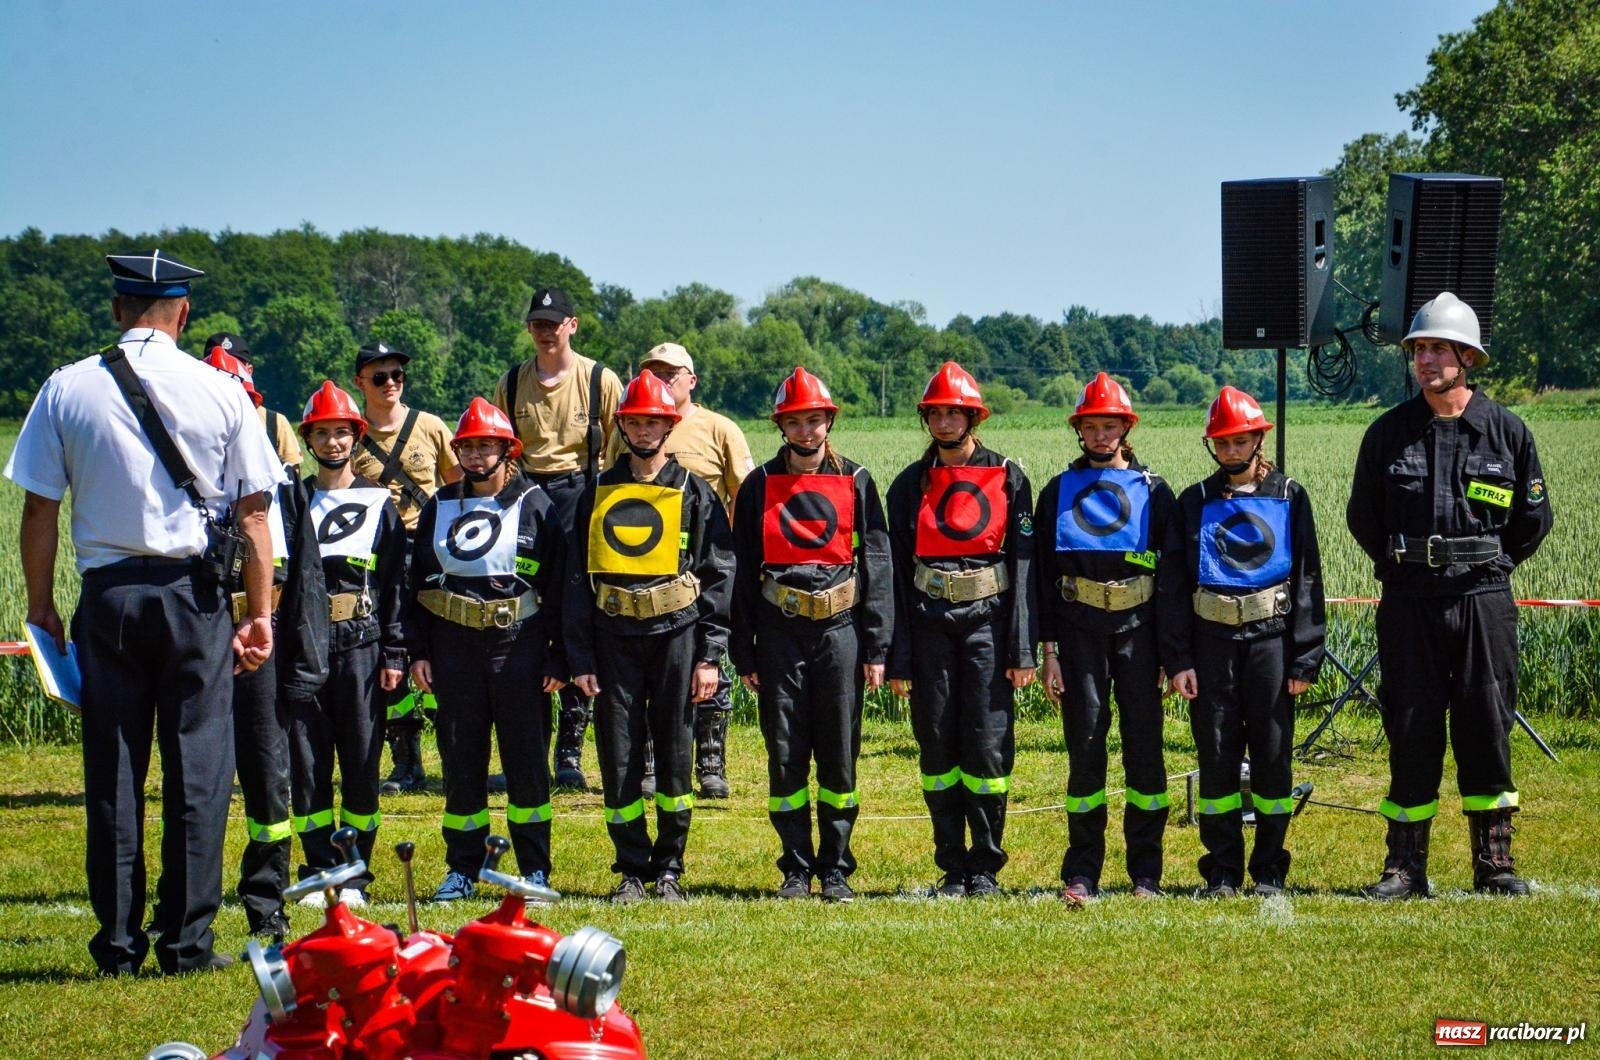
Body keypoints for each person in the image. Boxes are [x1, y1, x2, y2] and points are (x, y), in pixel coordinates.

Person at [5, 250, 283, 975]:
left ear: (115, 308)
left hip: (109, 597)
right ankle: (187, 943)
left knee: (115, 771)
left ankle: (119, 945)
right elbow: (254, 516)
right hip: (193, 598)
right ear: (183, 314)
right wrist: (259, 615)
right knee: (199, 771)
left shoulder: (66, 388)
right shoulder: (220, 391)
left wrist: (42, 607)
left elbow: (38, 509)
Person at [1347, 292, 1553, 899]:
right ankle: (1405, 868)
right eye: (1418, 350)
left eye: (1438, 348)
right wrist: (1405, 565)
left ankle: (1495, 864)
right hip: (1409, 601)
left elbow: (1533, 520)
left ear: (1467, 356)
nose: (1425, 360)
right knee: (1410, 728)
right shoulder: (1388, 434)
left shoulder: (1507, 432)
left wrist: (1491, 563)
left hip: (1483, 599)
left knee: (1485, 725)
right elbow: (1364, 517)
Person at [570, 371, 735, 902]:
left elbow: (718, 574)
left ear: (670, 425)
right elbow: (573, 579)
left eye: (654, 422)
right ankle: (631, 870)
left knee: (674, 752)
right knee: (618, 756)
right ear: (623, 425)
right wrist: (579, 656)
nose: (644, 431)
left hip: (677, 638)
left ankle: (670, 867)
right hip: (612, 638)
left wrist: (710, 656)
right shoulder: (595, 492)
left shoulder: (695, 492)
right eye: (635, 421)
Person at [730, 367, 893, 903]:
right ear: (782, 425)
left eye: (814, 420)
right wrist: (743, 647)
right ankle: (796, 867)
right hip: (779, 631)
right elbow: (743, 567)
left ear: (829, 421)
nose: (806, 431)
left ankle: (837, 868)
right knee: (785, 752)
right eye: (795, 421)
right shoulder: (759, 486)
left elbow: (876, 563)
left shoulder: (857, 480)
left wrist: (877, 646)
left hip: (840, 631)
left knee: (839, 752)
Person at [1158, 386, 1325, 899]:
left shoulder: (1289, 496)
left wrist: (1306, 655)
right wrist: (1179, 659)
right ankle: (1223, 870)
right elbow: (1173, 584)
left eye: (1240, 440)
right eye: (1222, 442)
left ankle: (1270, 868)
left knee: (1273, 758)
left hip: (1271, 644)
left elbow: (1308, 578)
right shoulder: (1194, 501)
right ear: (1212, 445)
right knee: (1216, 755)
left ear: (1258, 438)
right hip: (1211, 646)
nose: (1231, 450)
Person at [407, 398, 570, 902]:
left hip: (518, 648)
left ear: (508, 450)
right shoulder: (439, 505)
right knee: (460, 761)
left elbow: (562, 587)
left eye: (487, 446)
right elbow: (415, 585)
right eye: (469, 447)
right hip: (454, 649)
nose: (477, 456)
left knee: (526, 764)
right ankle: (462, 868)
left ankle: (533, 869)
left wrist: (559, 657)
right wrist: (419, 652)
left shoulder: (537, 504)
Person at [886, 362, 1035, 899]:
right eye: (936, 413)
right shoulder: (908, 486)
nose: (946, 421)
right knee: (937, 746)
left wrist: (1023, 649)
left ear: (973, 416)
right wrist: (899, 657)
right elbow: (897, 578)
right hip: (928, 628)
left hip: (990, 630)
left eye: (955, 412)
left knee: (988, 749)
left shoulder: (1009, 477)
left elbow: (1023, 569)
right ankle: (952, 865)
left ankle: (987, 866)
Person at [202, 346, 328, 943]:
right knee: (196, 776)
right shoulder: (185, 479)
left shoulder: (282, 485)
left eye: (243, 402)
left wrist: (305, 660)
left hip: (262, 643)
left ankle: (266, 904)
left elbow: (303, 576)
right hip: (198, 635)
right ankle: (186, 907)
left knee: (267, 777)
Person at [1035, 372, 1175, 903]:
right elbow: (1043, 578)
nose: (1100, 435)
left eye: (1109, 425)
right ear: (1079, 431)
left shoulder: (1155, 492)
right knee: (1086, 750)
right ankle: (1082, 873)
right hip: (1077, 634)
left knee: (1145, 752)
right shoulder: (1057, 492)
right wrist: (1049, 652)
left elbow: (1169, 576)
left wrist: (1169, 652)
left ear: (1126, 427)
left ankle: (1146, 874)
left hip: (1139, 634)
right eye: (1090, 426)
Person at [607, 341, 753, 798]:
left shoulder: (719, 428)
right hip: (634, 564)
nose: (662, 380)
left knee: (708, 678)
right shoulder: (631, 426)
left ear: (691, 379)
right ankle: (648, 763)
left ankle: (711, 761)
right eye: (653, 371)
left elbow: (742, 493)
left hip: (696, 563)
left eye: (672, 374)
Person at [492, 286, 623, 791]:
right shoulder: (512, 382)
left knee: (576, 621)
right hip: (526, 499)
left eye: (554, 322)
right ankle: (529, 752)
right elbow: (502, 448)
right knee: (528, 618)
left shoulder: (598, 379)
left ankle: (569, 751)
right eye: (537, 323)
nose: (545, 331)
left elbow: (626, 440)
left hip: (581, 495)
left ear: (573, 324)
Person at [289, 382, 407, 907]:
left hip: (362, 642)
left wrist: (396, 652)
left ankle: (355, 871)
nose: (333, 442)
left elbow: (395, 585)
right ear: (308, 438)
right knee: (308, 759)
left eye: (342, 433)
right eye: (323, 433)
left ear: (356, 437)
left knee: (360, 760)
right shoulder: (292, 501)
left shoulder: (380, 501)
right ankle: (318, 866)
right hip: (305, 645)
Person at [348, 341, 461, 795]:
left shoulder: (430, 426)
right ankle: (405, 760)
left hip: (428, 550)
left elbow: (457, 488)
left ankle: (455, 757)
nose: (391, 383)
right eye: (380, 377)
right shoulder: (350, 435)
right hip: (374, 558)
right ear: (360, 383)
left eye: (397, 375)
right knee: (385, 656)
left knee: (438, 650)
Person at [203, 332, 302, 474]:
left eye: (235, 363)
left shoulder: (274, 423)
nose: (224, 367)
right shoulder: (192, 417)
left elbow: (292, 484)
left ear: (249, 370)